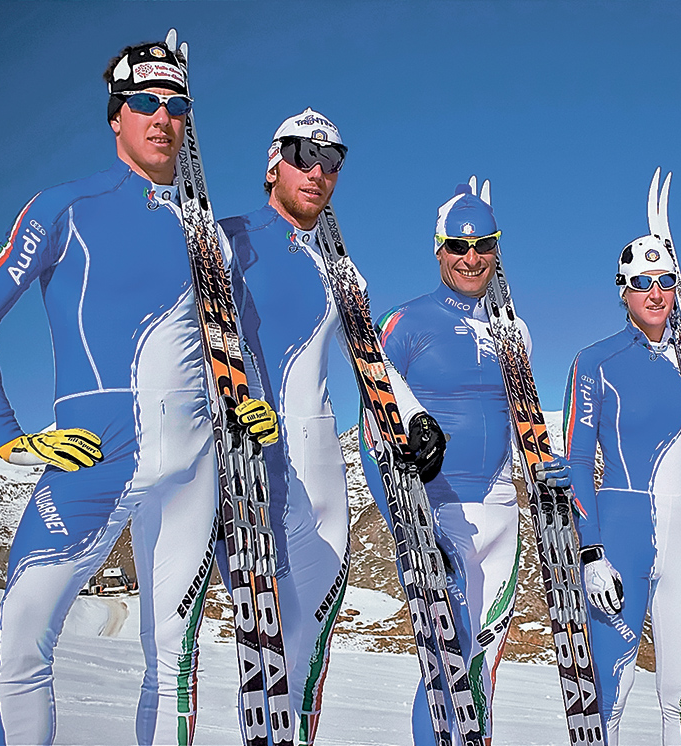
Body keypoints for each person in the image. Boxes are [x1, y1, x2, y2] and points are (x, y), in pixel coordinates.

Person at [0, 38, 275, 745]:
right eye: (145, 103)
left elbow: (229, 344)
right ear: (116, 116)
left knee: (174, 666)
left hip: (193, 475)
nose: (162, 116)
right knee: (23, 639)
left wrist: (245, 399)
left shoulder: (210, 239)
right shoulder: (66, 208)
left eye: (176, 104)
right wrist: (2, 429)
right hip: (91, 466)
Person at [220, 108, 443, 746]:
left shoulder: (337, 271)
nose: (318, 172)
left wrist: (414, 417)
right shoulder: (226, 241)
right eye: (303, 155)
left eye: (332, 161)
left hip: (324, 488)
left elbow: (367, 355)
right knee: (262, 660)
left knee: (306, 661)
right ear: (273, 163)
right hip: (253, 471)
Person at [359, 180, 568, 744]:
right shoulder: (408, 322)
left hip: (503, 512)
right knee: (443, 664)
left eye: (484, 246)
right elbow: (370, 421)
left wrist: (547, 465)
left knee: (480, 671)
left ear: (498, 249)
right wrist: (407, 516)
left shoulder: (513, 331)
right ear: (438, 249)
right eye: (458, 246)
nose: (471, 258)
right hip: (437, 508)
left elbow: (523, 420)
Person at [563, 230, 681, 745]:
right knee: (608, 698)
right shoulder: (595, 362)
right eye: (641, 283)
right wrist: (590, 552)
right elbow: (573, 464)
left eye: (664, 282)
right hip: (620, 543)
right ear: (623, 290)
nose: (654, 294)